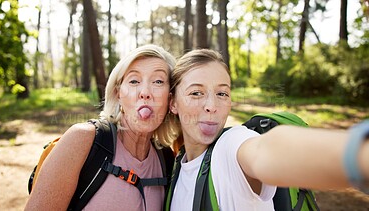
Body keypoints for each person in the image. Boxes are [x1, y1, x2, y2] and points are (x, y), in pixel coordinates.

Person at [166, 48, 369, 210]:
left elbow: (266, 151)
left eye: (222, 93)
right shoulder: (175, 168)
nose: (212, 105)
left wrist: (359, 156)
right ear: (173, 102)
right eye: (196, 93)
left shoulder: (230, 146)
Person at [25, 44, 179, 210]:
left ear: (171, 99)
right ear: (117, 93)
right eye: (134, 81)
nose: (145, 92)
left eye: (158, 81)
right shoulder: (83, 140)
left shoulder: (167, 160)